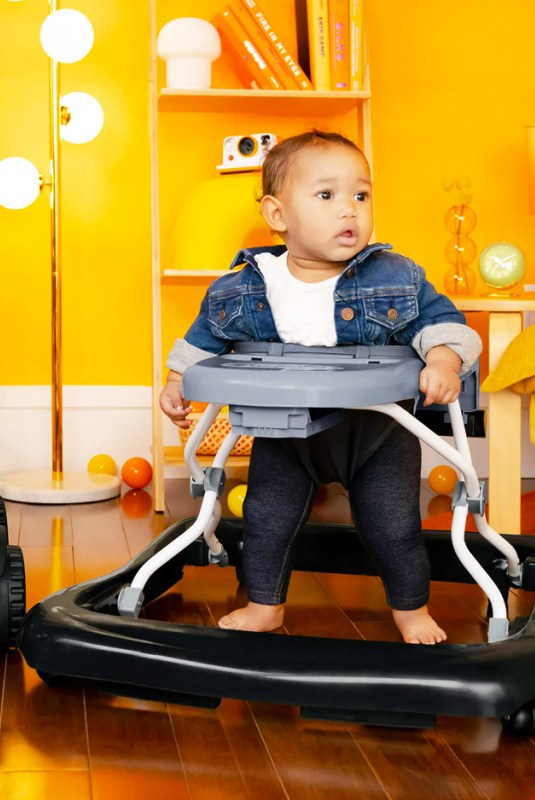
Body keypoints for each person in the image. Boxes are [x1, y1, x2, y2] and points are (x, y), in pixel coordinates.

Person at [159, 130, 482, 645]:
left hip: (377, 431)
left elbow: (441, 320)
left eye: (361, 195)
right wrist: (179, 380)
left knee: (392, 527)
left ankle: (411, 609)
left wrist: (442, 356)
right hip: (285, 433)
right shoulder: (247, 285)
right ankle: (265, 606)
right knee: (266, 518)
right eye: (326, 196)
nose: (349, 211)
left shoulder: (393, 275)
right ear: (277, 214)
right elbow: (204, 338)